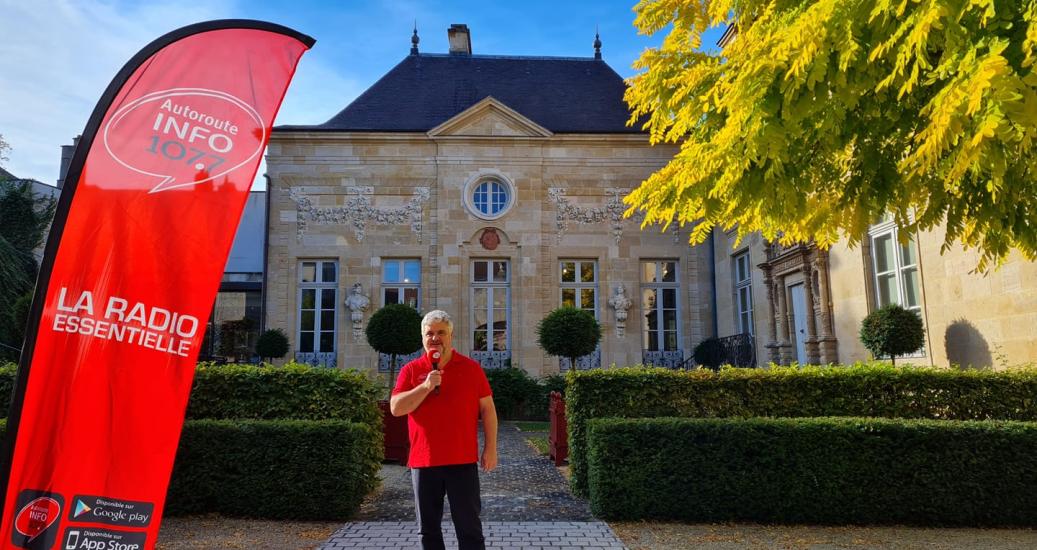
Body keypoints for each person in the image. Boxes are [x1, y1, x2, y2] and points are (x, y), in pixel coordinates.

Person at [390, 310, 498, 550]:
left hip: (462, 460)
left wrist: (491, 449)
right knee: (428, 531)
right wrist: (425, 386)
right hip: (424, 462)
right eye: (429, 333)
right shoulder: (411, 370)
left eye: (441, 332)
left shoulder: (471, 369)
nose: (435, 338)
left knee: (469, 528)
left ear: (451, 336)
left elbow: (488, 410)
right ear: (422, 338)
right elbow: (396, 408)